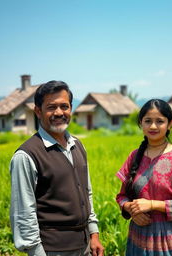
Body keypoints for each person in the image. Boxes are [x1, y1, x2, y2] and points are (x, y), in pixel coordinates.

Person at [10, 81, 104, 256]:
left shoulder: (77, 145)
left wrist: (93, 233)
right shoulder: (26, 155)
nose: (59, 112)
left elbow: (86, 192)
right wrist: (36, 252)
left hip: (84, 246)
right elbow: (23, 212)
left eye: (64, 106)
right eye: (51, 107)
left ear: (71, 109)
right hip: (52, 250)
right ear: (38, 111)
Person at [116, 99, 172, 256]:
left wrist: (152, 204)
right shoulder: (134, 156)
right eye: (148, 121)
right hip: (139, 239)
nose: (153, 126)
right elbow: (122, 197)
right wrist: (131, 209)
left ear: (170, 124)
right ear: (140, 123)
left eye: (159, 121)